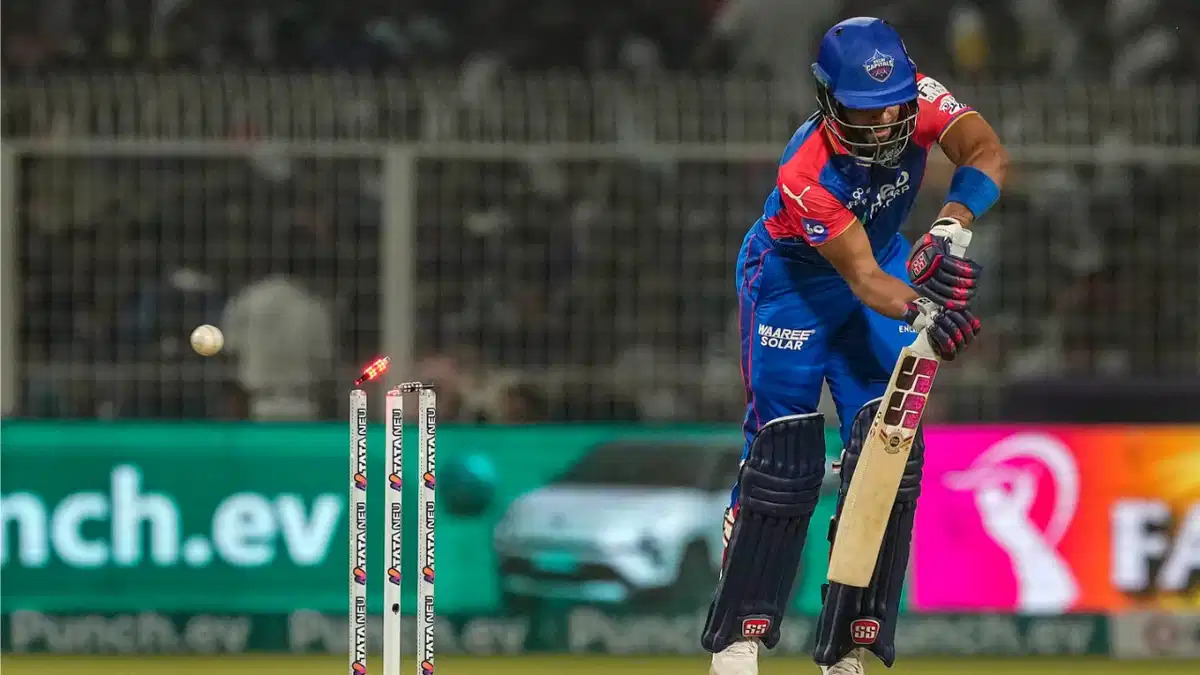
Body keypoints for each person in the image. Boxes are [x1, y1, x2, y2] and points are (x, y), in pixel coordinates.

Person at [700, 17, 1008, 675]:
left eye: (893, 103)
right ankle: (738, 634)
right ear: (828, 99)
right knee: (783, 453)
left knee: (886, 449)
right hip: (793, 281)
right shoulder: (805, 170)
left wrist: (948, 228)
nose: (886, 121)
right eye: (866, 110)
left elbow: (985, 152)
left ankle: (846, 646)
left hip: (884, 258)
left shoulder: (921, 97)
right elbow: (862, 278)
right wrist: (928, 309)